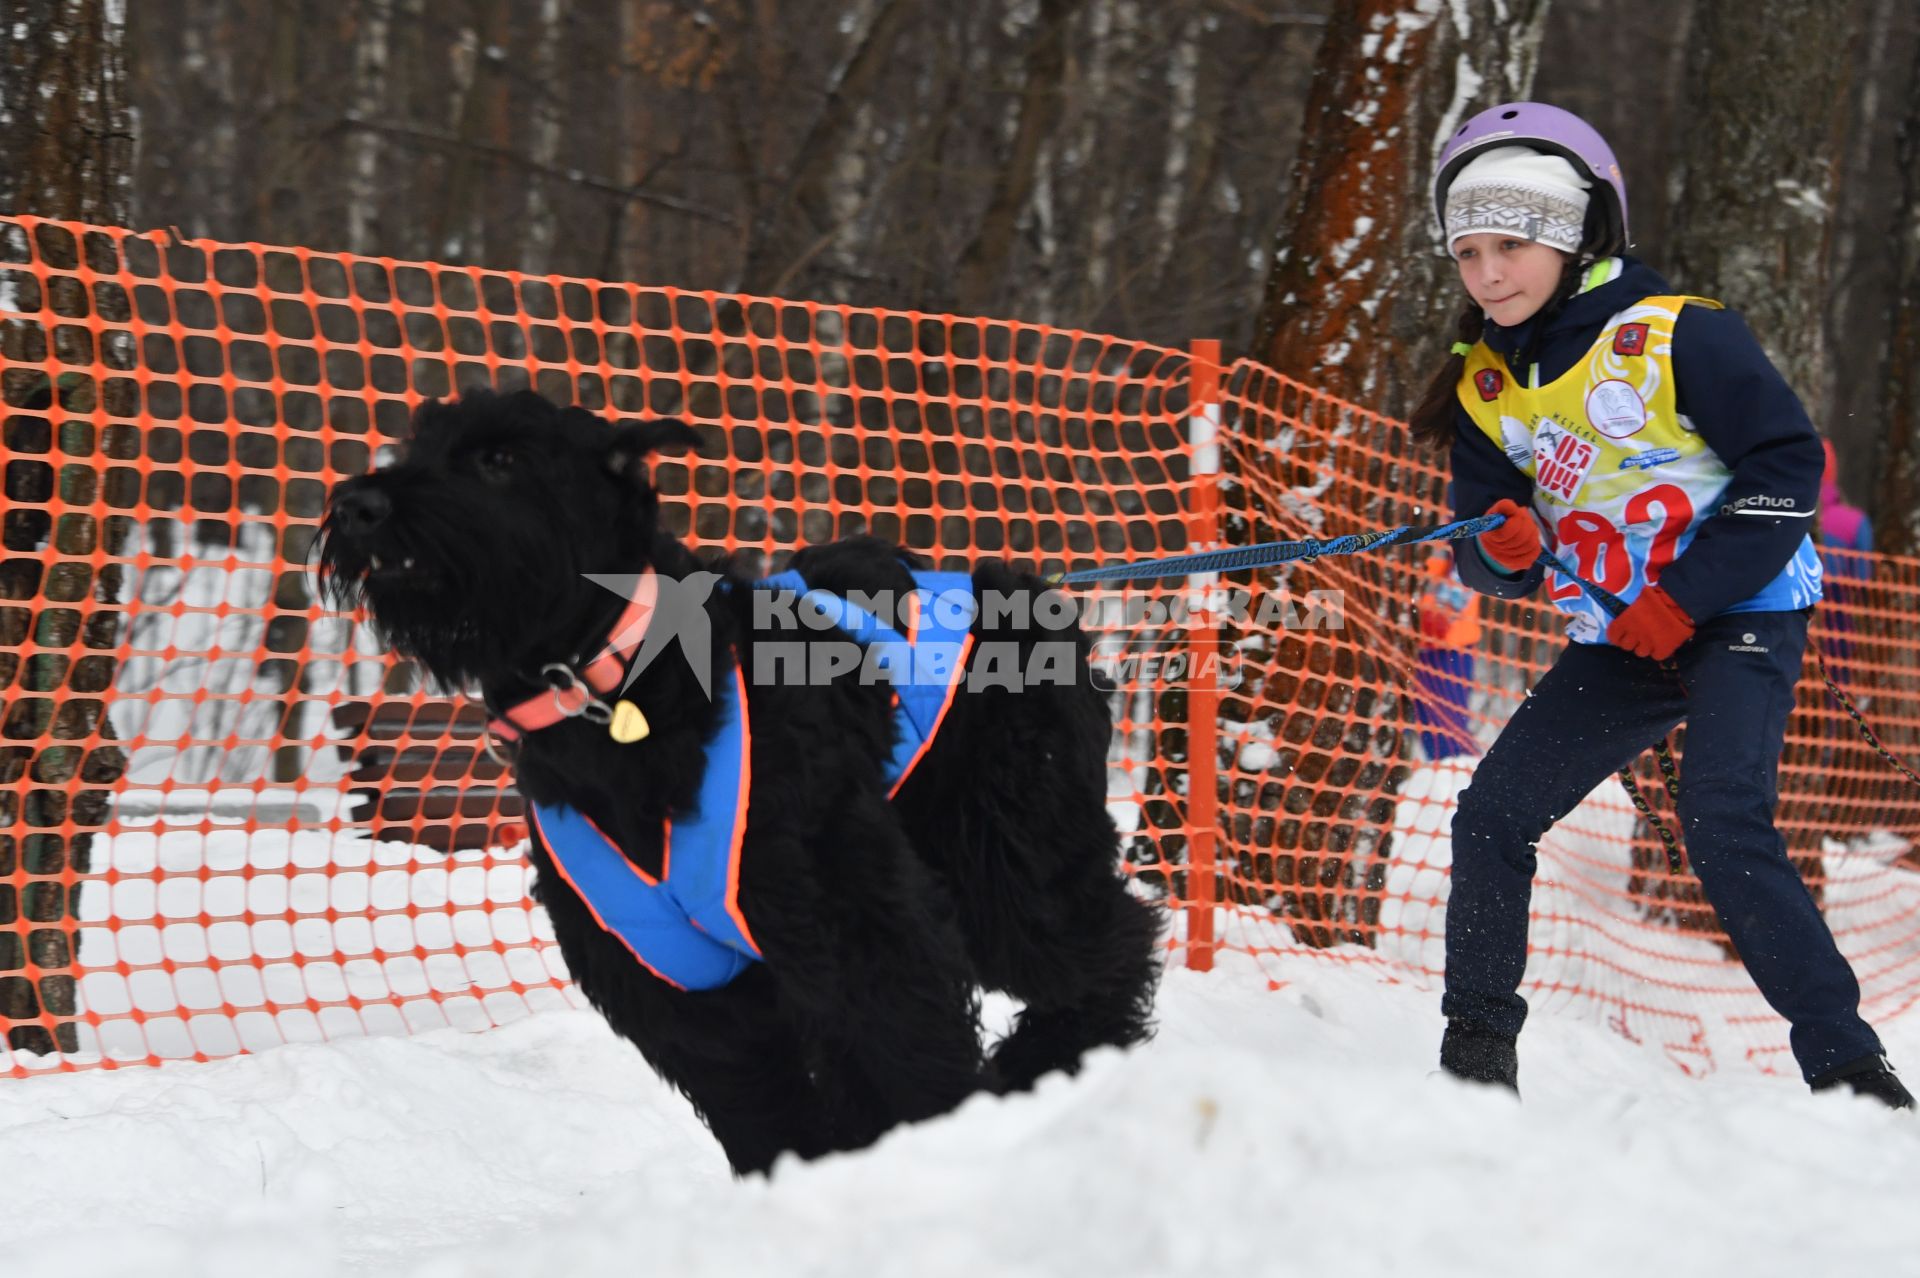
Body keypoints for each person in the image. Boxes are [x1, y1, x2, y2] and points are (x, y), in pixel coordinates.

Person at [1408, 101, 1910, 1107]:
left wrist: (1684, 599)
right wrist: (1506, 552)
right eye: (1466, 253)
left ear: (1576, 234)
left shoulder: (1680, 336)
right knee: (1493, 815)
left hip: (1740, 609)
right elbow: (1484, 545)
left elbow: (1788, 469)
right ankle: (1476, 1058)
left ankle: (1850, 1070)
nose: (1488, 273)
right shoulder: (1485, 382)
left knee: (1721, 820)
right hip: (1621, 634)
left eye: (1510, 244)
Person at [1412, 545, 1481, 762]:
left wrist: (1447, 606)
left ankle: (1463, 789)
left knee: (1446, 740)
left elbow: (1473, 555)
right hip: (1378, 635)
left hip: (1444, 644)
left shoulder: (1446, 512)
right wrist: (1316, 628)